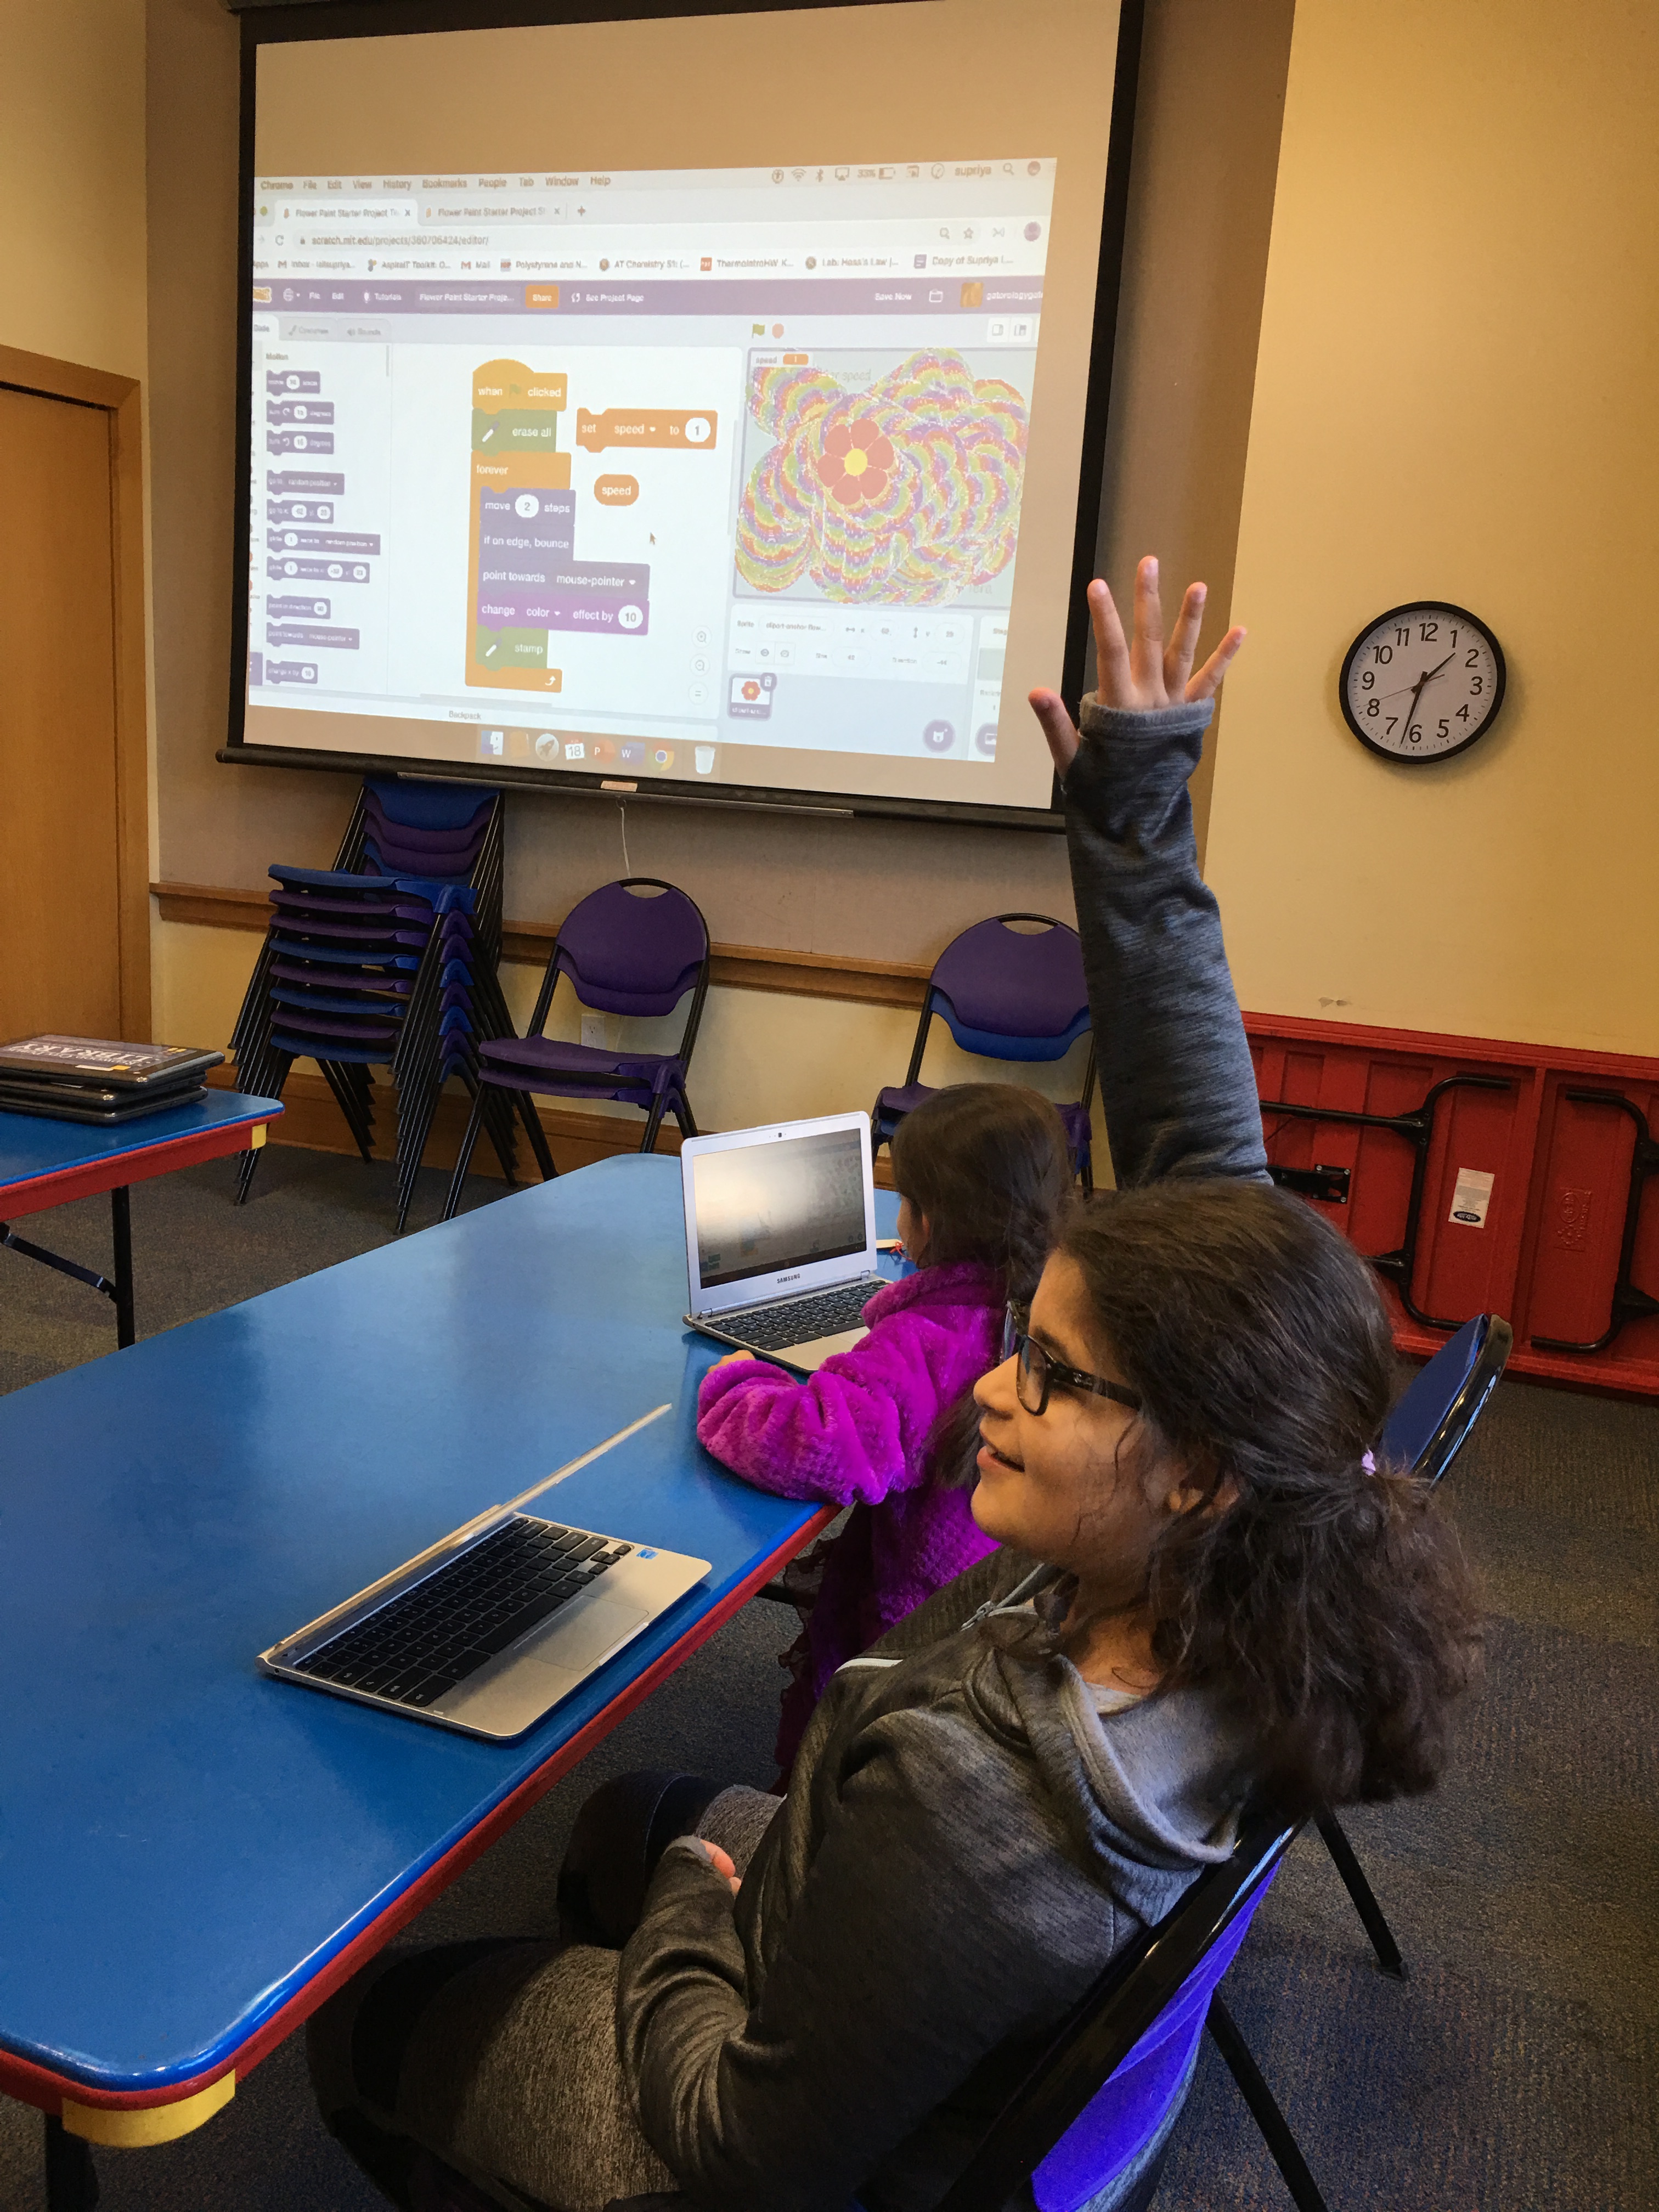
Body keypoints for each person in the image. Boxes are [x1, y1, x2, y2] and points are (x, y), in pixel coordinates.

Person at [309, 560, 1481, 2212]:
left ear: (1194, 1465)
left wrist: (700, 1906)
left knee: (375, 2027)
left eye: (1050, 1379)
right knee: (612, 1822)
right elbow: (1208, 1151)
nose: (991, 1392)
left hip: (766, 2110)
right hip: (891, 1921)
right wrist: (1135, 811)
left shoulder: (976, 1808)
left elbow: (738, 2145)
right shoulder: (1290, 1494)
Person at [697, 1079, 1074, 1770]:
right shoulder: (1051, 1309)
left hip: (915, 1637)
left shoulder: (925, 1341)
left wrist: (736, 1383)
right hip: (1002, 1605)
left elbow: (816, 1443)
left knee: (844, 1758)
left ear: (927, 1222)